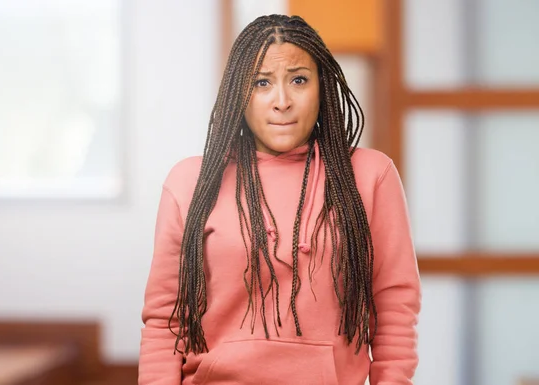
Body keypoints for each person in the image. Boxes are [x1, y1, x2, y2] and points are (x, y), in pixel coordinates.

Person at [138, 14, 421, 385]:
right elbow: (164, 320)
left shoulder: (370, 176)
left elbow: (395, 307)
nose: (282, 101)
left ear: (322, 88)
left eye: (299, 80)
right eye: (262, 82)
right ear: (239, 93)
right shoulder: (192, 182)